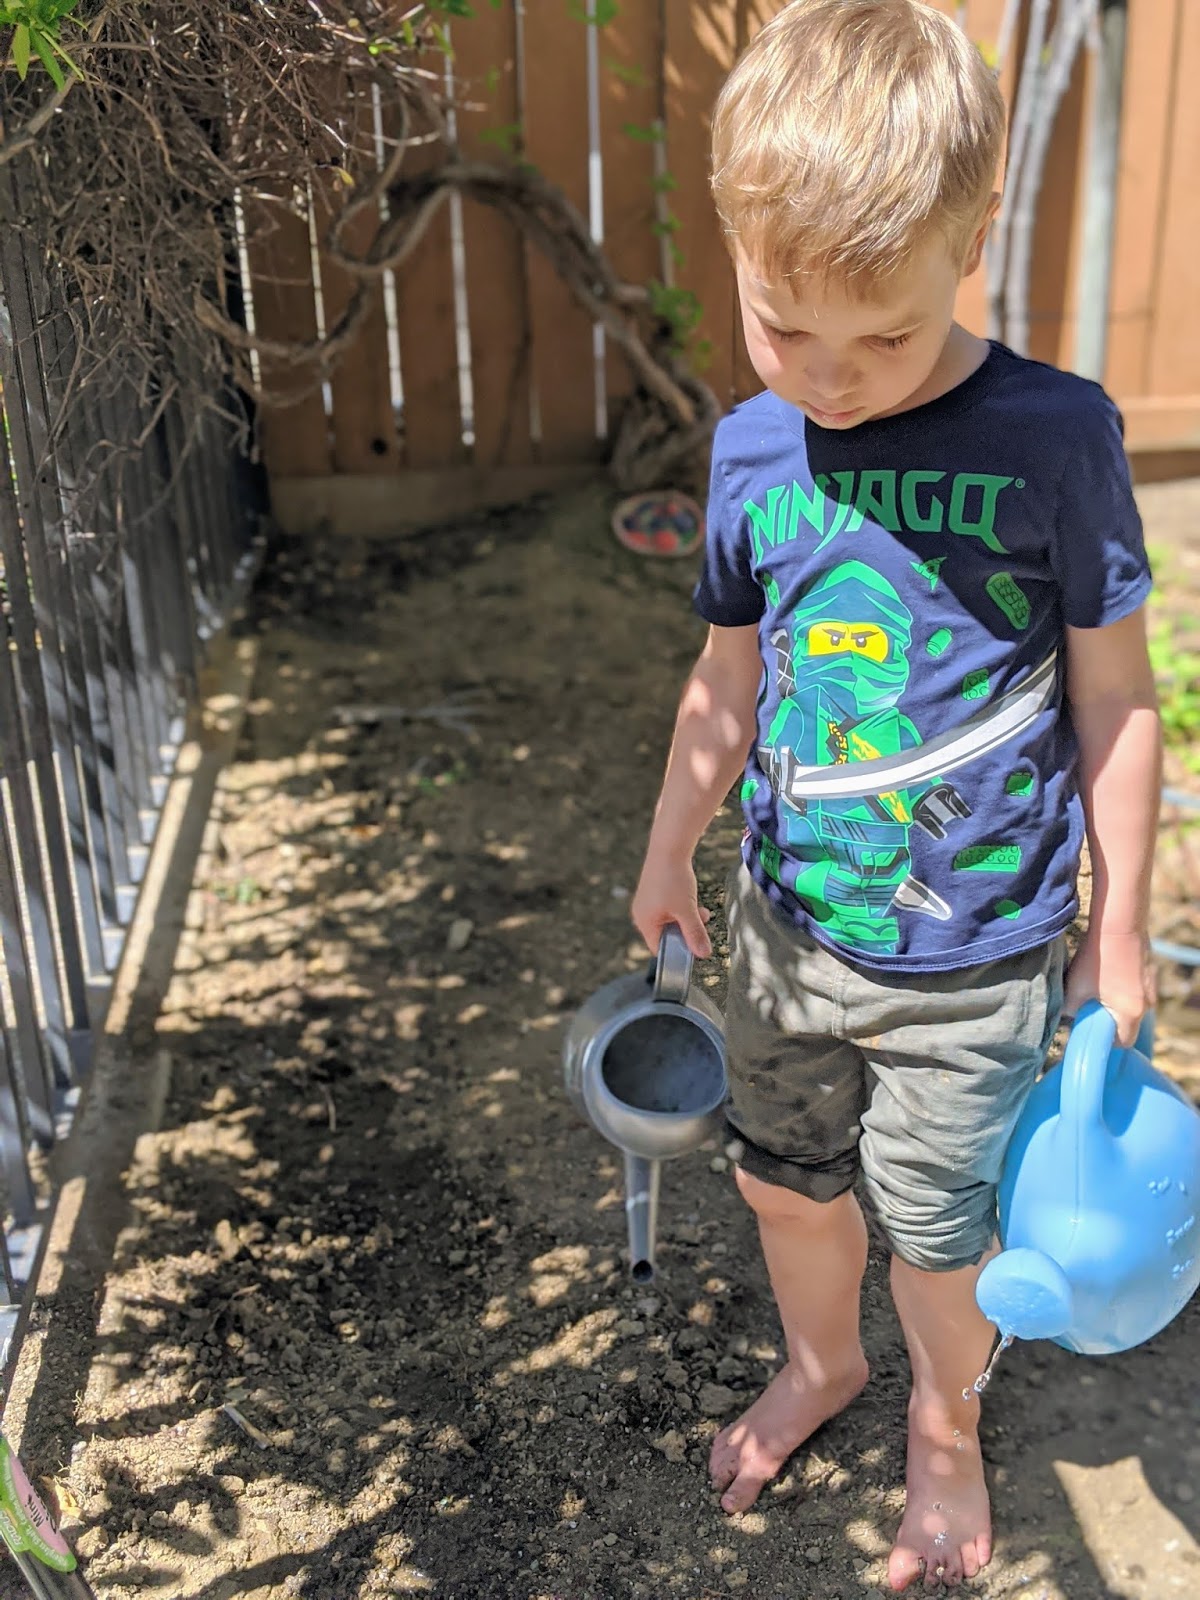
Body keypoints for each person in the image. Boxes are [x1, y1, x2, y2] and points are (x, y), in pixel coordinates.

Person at [630, 1, 1161, 1589]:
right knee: (780, 1181)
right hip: (789, 939)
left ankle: (943, 1421)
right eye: (789, 330)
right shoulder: (750, 452)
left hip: (977, 964)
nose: (836, 379)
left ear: (970, 245)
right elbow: (727, 682)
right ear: (738, 250)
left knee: (937, 1229)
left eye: (891, 340)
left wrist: (1119, 929)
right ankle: (822, 1362)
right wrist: (669, 847)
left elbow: (1116, 696)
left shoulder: (1056, 439)